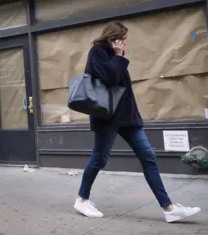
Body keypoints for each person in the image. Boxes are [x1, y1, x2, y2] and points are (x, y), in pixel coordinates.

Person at [73, 21, 201, 223]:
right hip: (108, 119)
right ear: (112, 37)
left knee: (148, 156)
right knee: (99, 159)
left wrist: (136, 116)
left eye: (125, 40)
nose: (125, 42)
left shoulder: (117, 56)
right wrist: (118, 56)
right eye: (123, 38)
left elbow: (124, 92)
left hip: (128, 119)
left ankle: (168, 208)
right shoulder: (97, 52)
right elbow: (111, 78)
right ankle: (81, 199)